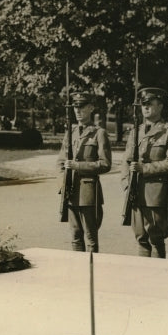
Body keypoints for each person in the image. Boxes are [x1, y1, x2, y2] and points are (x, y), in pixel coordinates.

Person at [120, 87, 168, 258]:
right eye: (143, 104)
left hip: (156, 195)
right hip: (135, 192)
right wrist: (126, 184)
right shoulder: (136, 131)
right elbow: (126, 161)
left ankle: (158, 277)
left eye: (150, 104)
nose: (145, 108)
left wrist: (144, 168)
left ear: (160, 106)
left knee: (156, 238)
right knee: (140, 238)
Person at [57, 91, 112, 253]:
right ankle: (77, 274)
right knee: (75, 237)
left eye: (82, 108)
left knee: (91, 239)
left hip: (89, 193)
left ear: (91, 108)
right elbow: (60, 162)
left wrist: (78, 166)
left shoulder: (99, 133)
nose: (78, 111)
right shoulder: (71, 132)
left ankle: (91, 274)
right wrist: (63, 183)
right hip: (71, 190)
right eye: (75, 108)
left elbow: (105, 164)